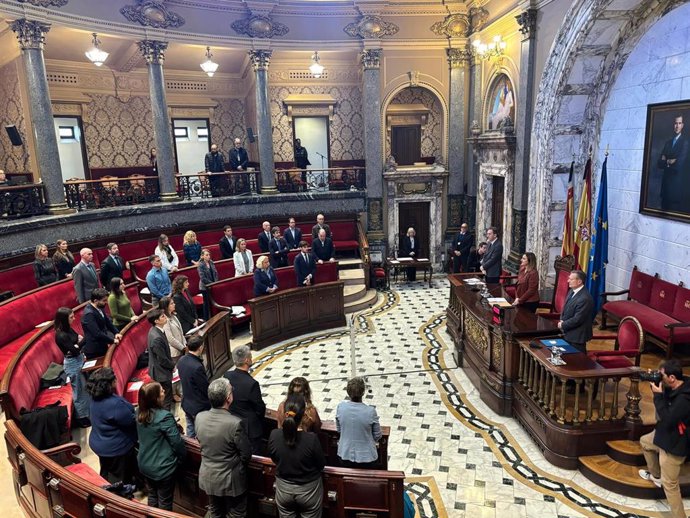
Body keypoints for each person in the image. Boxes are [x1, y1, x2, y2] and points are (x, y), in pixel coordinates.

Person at [638, 359, 690, 518]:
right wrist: (653, 380)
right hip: (665, 433)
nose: (660, 378)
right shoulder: (676, 385)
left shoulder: (685, 399)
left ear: (672, 377)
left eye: (662, 375)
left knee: (671, 485)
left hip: (675, 444)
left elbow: (668, 418)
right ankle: (656, 476)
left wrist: (658, 396)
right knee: (645, 442)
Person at [196, 378, 251, 518]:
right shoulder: (235, 423)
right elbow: (246, 455)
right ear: (228, 398)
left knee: (215, 511)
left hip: (208, 478)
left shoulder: (199, 417)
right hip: (231, 482)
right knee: (236, 514)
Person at [268, 394, 326, 518]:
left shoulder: (274, 435)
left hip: (284, 489)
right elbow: (321, 464)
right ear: (304, 414)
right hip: (308, 491)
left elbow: (273, 458)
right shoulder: (312, 440)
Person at [136, 382, 186, 510]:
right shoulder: (164, 417)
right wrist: (180, 460)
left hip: (145, 464)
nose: (164, 392)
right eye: (162, 391)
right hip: (162, 468)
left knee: (152, 496)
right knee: (165, 502)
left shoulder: (138, 412)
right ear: (156, 398)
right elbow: (177, 443)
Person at [86, 368, 138, 485]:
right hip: (116, 447)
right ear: (108, 384)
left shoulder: (95, 399)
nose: (116, 379)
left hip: (99, 443)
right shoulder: (115, 404)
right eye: (114, 378)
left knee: (107, 468)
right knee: (121, 478)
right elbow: (131, 421)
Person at [224, 345, 266, 454]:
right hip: (250, 429)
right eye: (250, 356)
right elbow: (260, 408)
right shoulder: (252, 384)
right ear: (247, 360)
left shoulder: (227, 375)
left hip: (232, 423)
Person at [54, 307, 90, 428]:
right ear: (64, 319)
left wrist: (79, 344)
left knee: (85, 389)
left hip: (79, 359)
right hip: (73, 364)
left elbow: (77, 341)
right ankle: (81, 418)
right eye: (71, 317)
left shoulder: (68, 329)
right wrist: (83, 341)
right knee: (79, 391)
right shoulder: (60, 335)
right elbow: (74, 350)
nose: (74, 318)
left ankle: (87, 414)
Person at [336, 376, 382, 469]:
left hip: (345, 454)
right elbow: (377, 435)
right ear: (363, 392)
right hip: (367, 458)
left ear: (348, 392)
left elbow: (339, 429)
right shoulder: (370, 411)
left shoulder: (341, 408)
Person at [177, 336, 210, 438]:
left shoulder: (182, 360)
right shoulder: (197, 367)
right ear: (200, 348)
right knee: (203, 433)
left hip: (187, 403)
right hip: (199, 407)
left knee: (191, 431)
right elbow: (205, 389)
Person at [557, 270, 594, 353]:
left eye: (571, 279)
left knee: (576, 362)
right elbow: (565, 308)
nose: (568, 281)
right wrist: (562, 320)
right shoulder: (572, 291)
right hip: (568, 332)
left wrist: (563, 324)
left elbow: (578, 319)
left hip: (577, 337)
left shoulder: (585, 298)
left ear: (579, 281)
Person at [657, 115, 688, 212]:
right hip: (665, 190)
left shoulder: (685, 143)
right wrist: (669, 161)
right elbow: (659, 163)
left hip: (676, 192)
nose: (677, 126)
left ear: (682, 125)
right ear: (673, 125)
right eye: (675, 123)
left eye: (679, 123)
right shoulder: (668, 143)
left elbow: (679, 166)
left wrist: (665, 160)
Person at [147, 309, 175, 411]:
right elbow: (162, 360)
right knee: (166, 398)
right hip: (161, 373)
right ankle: (167, 419)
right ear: (156, 321)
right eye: (162, 316)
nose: (165, 317)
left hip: (159, 369)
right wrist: (173, 366)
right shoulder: (156, 338)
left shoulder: (154, 330)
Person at [81, 288, 122, 359]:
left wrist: (116, 332)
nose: (106, 302)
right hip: (95, 349)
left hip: (103, 343)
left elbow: (108, 322)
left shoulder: (99, 307)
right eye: (104, 301)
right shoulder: (89, 314)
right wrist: (112, 340)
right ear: (95, 301)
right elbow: (97, 333)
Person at [159, 296, 187, 376]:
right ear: (166, 307)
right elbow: (170, 338)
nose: (174, 304)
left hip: (182, 348)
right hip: (175, 353)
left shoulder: (173, 316)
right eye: (172, 303)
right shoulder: (165, 320)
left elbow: (181, 333)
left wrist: (185, 345)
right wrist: (183, 348)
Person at [198, 248, 218, 321]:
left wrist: (216, 282)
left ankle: (214, 317)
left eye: (209, 255)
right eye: (207, 255)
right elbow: (203, 278)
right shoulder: (200, 265)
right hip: (205, 287)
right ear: (202, 256)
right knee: (206, 304)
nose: (208, 256)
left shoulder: (211, 262)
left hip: (213, 285)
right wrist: (211, 284)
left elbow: (215, 273)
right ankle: (206, 319)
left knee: (213, 302)